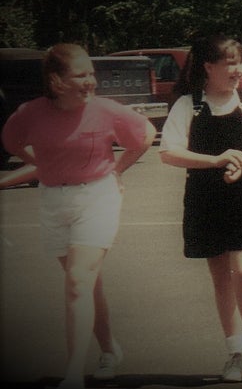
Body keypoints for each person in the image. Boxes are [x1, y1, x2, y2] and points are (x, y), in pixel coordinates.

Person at [1, 43, 157, 389]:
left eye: (91, 73)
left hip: (96, 197)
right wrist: (44, 162)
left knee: (77, 283)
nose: (91, 81)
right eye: (81, 74)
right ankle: (108, 349)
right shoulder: (30, 112)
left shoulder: (105, 110)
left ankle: (73, 373)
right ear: (56, 81)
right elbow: (11, 142)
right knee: (86, 284)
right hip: (54, 201)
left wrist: (117, 169)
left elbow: (146, 134)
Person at [159, 35, 242, 383]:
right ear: (208, 67)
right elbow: (169, 152)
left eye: (240, 61)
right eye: (229, 63)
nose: (237, 69)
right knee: (220, 279)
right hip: (205, 199)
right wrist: (215, 160)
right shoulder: (188, 105)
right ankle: (235, 352)